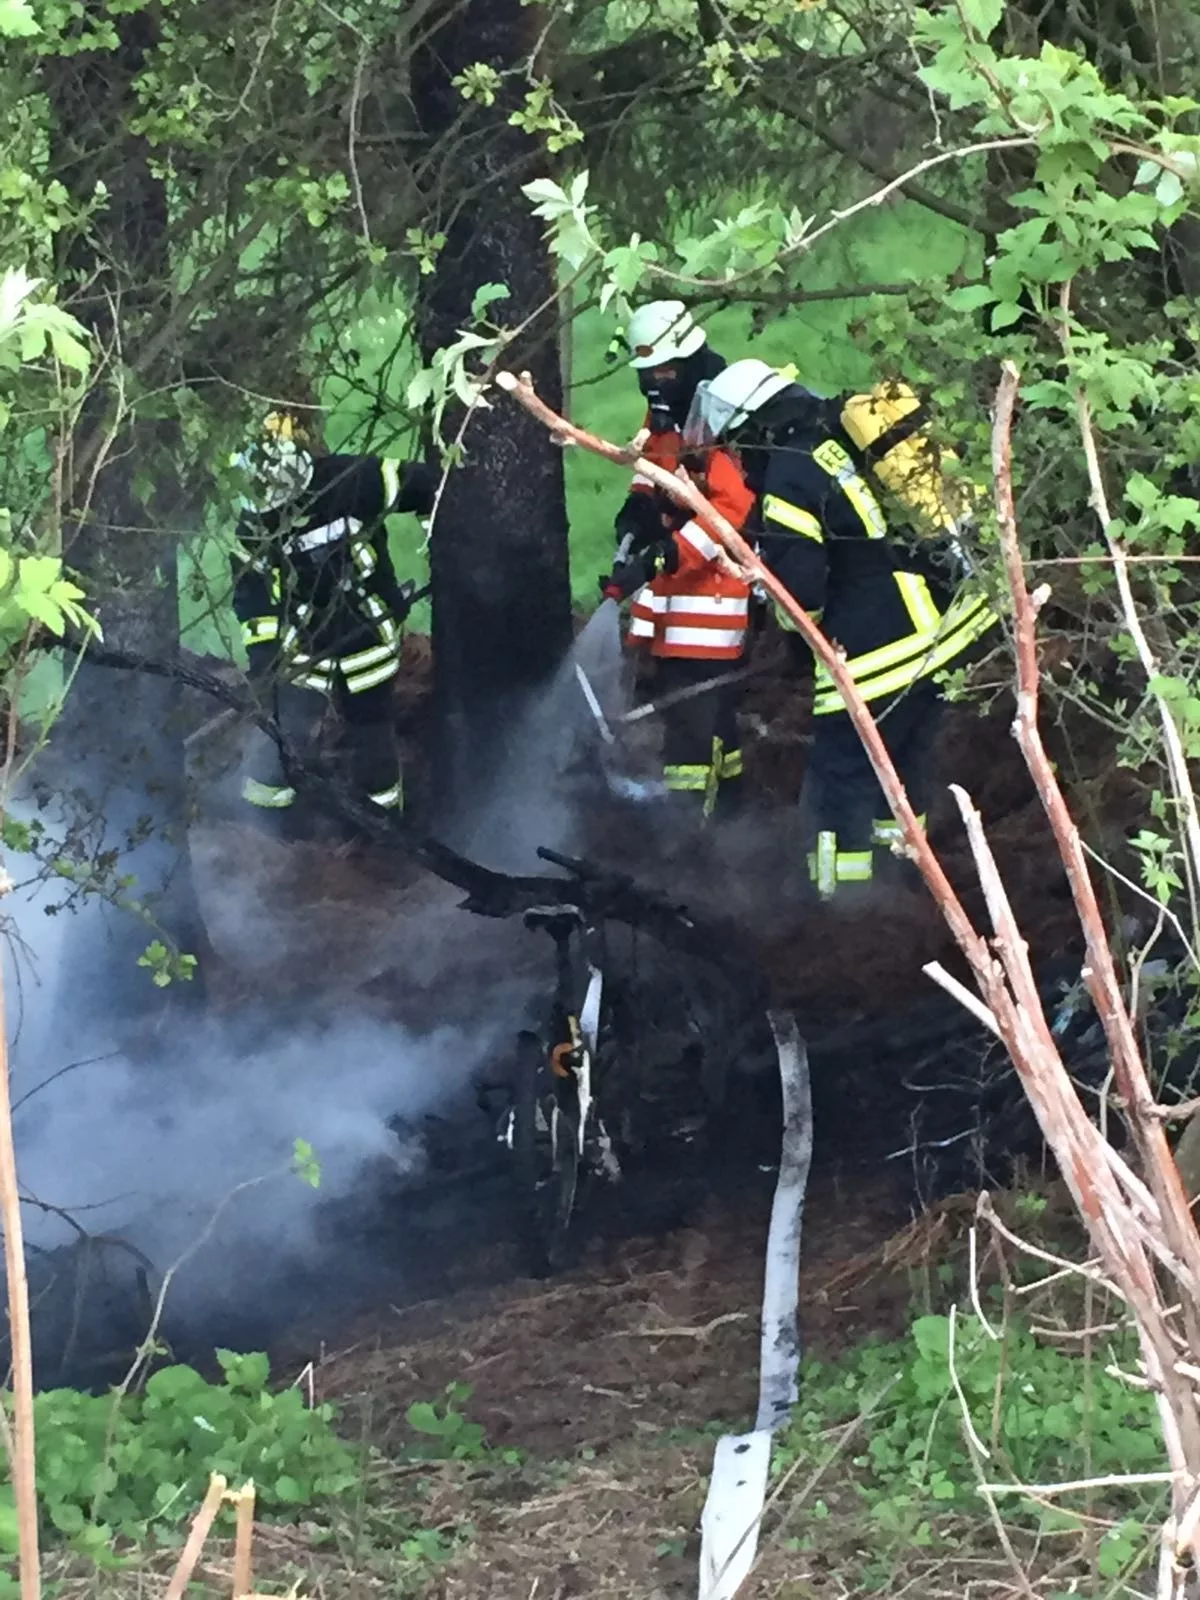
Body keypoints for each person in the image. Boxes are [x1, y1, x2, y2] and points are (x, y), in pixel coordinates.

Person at [682, 358, 998, 900]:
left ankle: (840, 908)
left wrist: (778, 612)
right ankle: (902, 884)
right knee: (901, 769)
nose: (737, 460)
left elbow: (802, 593)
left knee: (838, 781)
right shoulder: (837, 428)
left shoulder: (785, 474)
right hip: (945, 625)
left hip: (880, 649)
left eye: (735, 445)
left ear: (753, 428)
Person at [230, 411, 435, 833]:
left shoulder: (353, 479)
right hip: (304, 641)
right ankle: (263, 828)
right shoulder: (254, 520)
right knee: (284, 726)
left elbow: (429, 485)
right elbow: (251, 592)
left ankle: (383, 830)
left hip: (368, 634)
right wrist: (264, 655)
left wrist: (441, 539)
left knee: (370, 727)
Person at [600, 301, 751, 820]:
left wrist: (668, 553)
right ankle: (728, 817)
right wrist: (638, 504)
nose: (653, 384)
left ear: (689, 359)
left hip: (715, 596)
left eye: (663, 371)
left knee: (694, 724)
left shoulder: (720, 411)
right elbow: (655, 462)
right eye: (646, 374)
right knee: (702, 724)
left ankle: (691, 833)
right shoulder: (671, 404)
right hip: (682, 594)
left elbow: (731, 512)